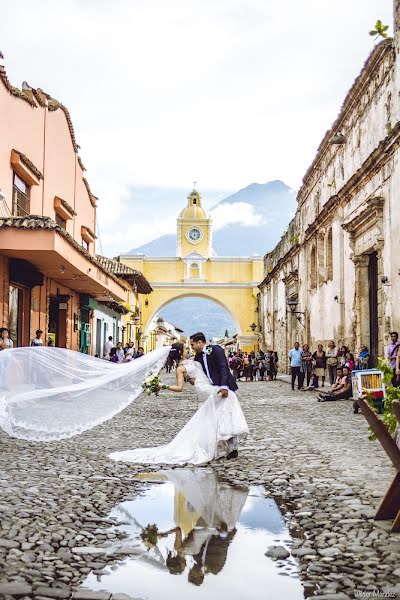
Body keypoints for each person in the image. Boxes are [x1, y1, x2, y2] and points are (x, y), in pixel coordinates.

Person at [108, 341, 249, 464]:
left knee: (220, 412)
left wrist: (194, 379)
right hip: (207, 390)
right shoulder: (181, 368)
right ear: (181, 352)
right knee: (229, 401)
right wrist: (162, 386)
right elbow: (179, 388)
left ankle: (229, 444)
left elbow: (204, 372)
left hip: (210, 387)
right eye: (187, 348)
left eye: (191, 346)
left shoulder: (195, 359)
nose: (190, 349)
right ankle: (229, 444)